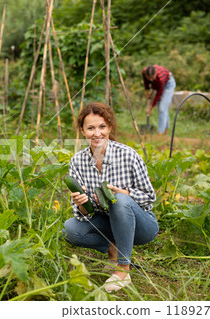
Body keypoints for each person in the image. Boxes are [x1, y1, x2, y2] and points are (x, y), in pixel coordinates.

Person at [62, 102, 159, 293]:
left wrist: (126, 194)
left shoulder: (128, 155)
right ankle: (113, 249)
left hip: (142, 227)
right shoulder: (77, 162)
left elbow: (150, 197)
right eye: (90, 128)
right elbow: (84, 215)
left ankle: (123, 269)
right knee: (69, 230)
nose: (97, 133)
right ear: (82, 131)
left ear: (110, 127)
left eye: (102, 127)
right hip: (107, 224)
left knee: (120, 201)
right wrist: (81, 204)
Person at [142, 65, 176, 135]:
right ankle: (166, 131)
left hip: (168, 85)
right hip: (158, 86)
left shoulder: (160, 78)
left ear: (156, 73)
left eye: (152, 78)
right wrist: (147, 93)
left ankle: (160, 133)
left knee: (162, 108)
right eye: (149, 78)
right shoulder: (144, 72)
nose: (151, 80)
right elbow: (146, 83)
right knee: (163, 109)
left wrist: (150, 108)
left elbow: (158, 95)